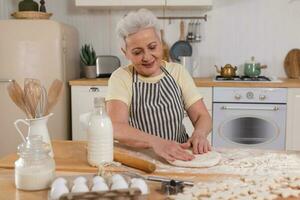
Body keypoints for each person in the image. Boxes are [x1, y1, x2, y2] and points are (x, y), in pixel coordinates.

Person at [106, 9, 212, 162]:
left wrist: (200, 134)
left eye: (152, 47)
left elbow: (203, 116)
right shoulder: (121, 77)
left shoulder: (178, 72)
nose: (147, 57)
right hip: (141, 159)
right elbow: (115, 127)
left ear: (161, 43)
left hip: (180, 156)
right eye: (137, 52)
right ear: (126, 52)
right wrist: (157, 143)